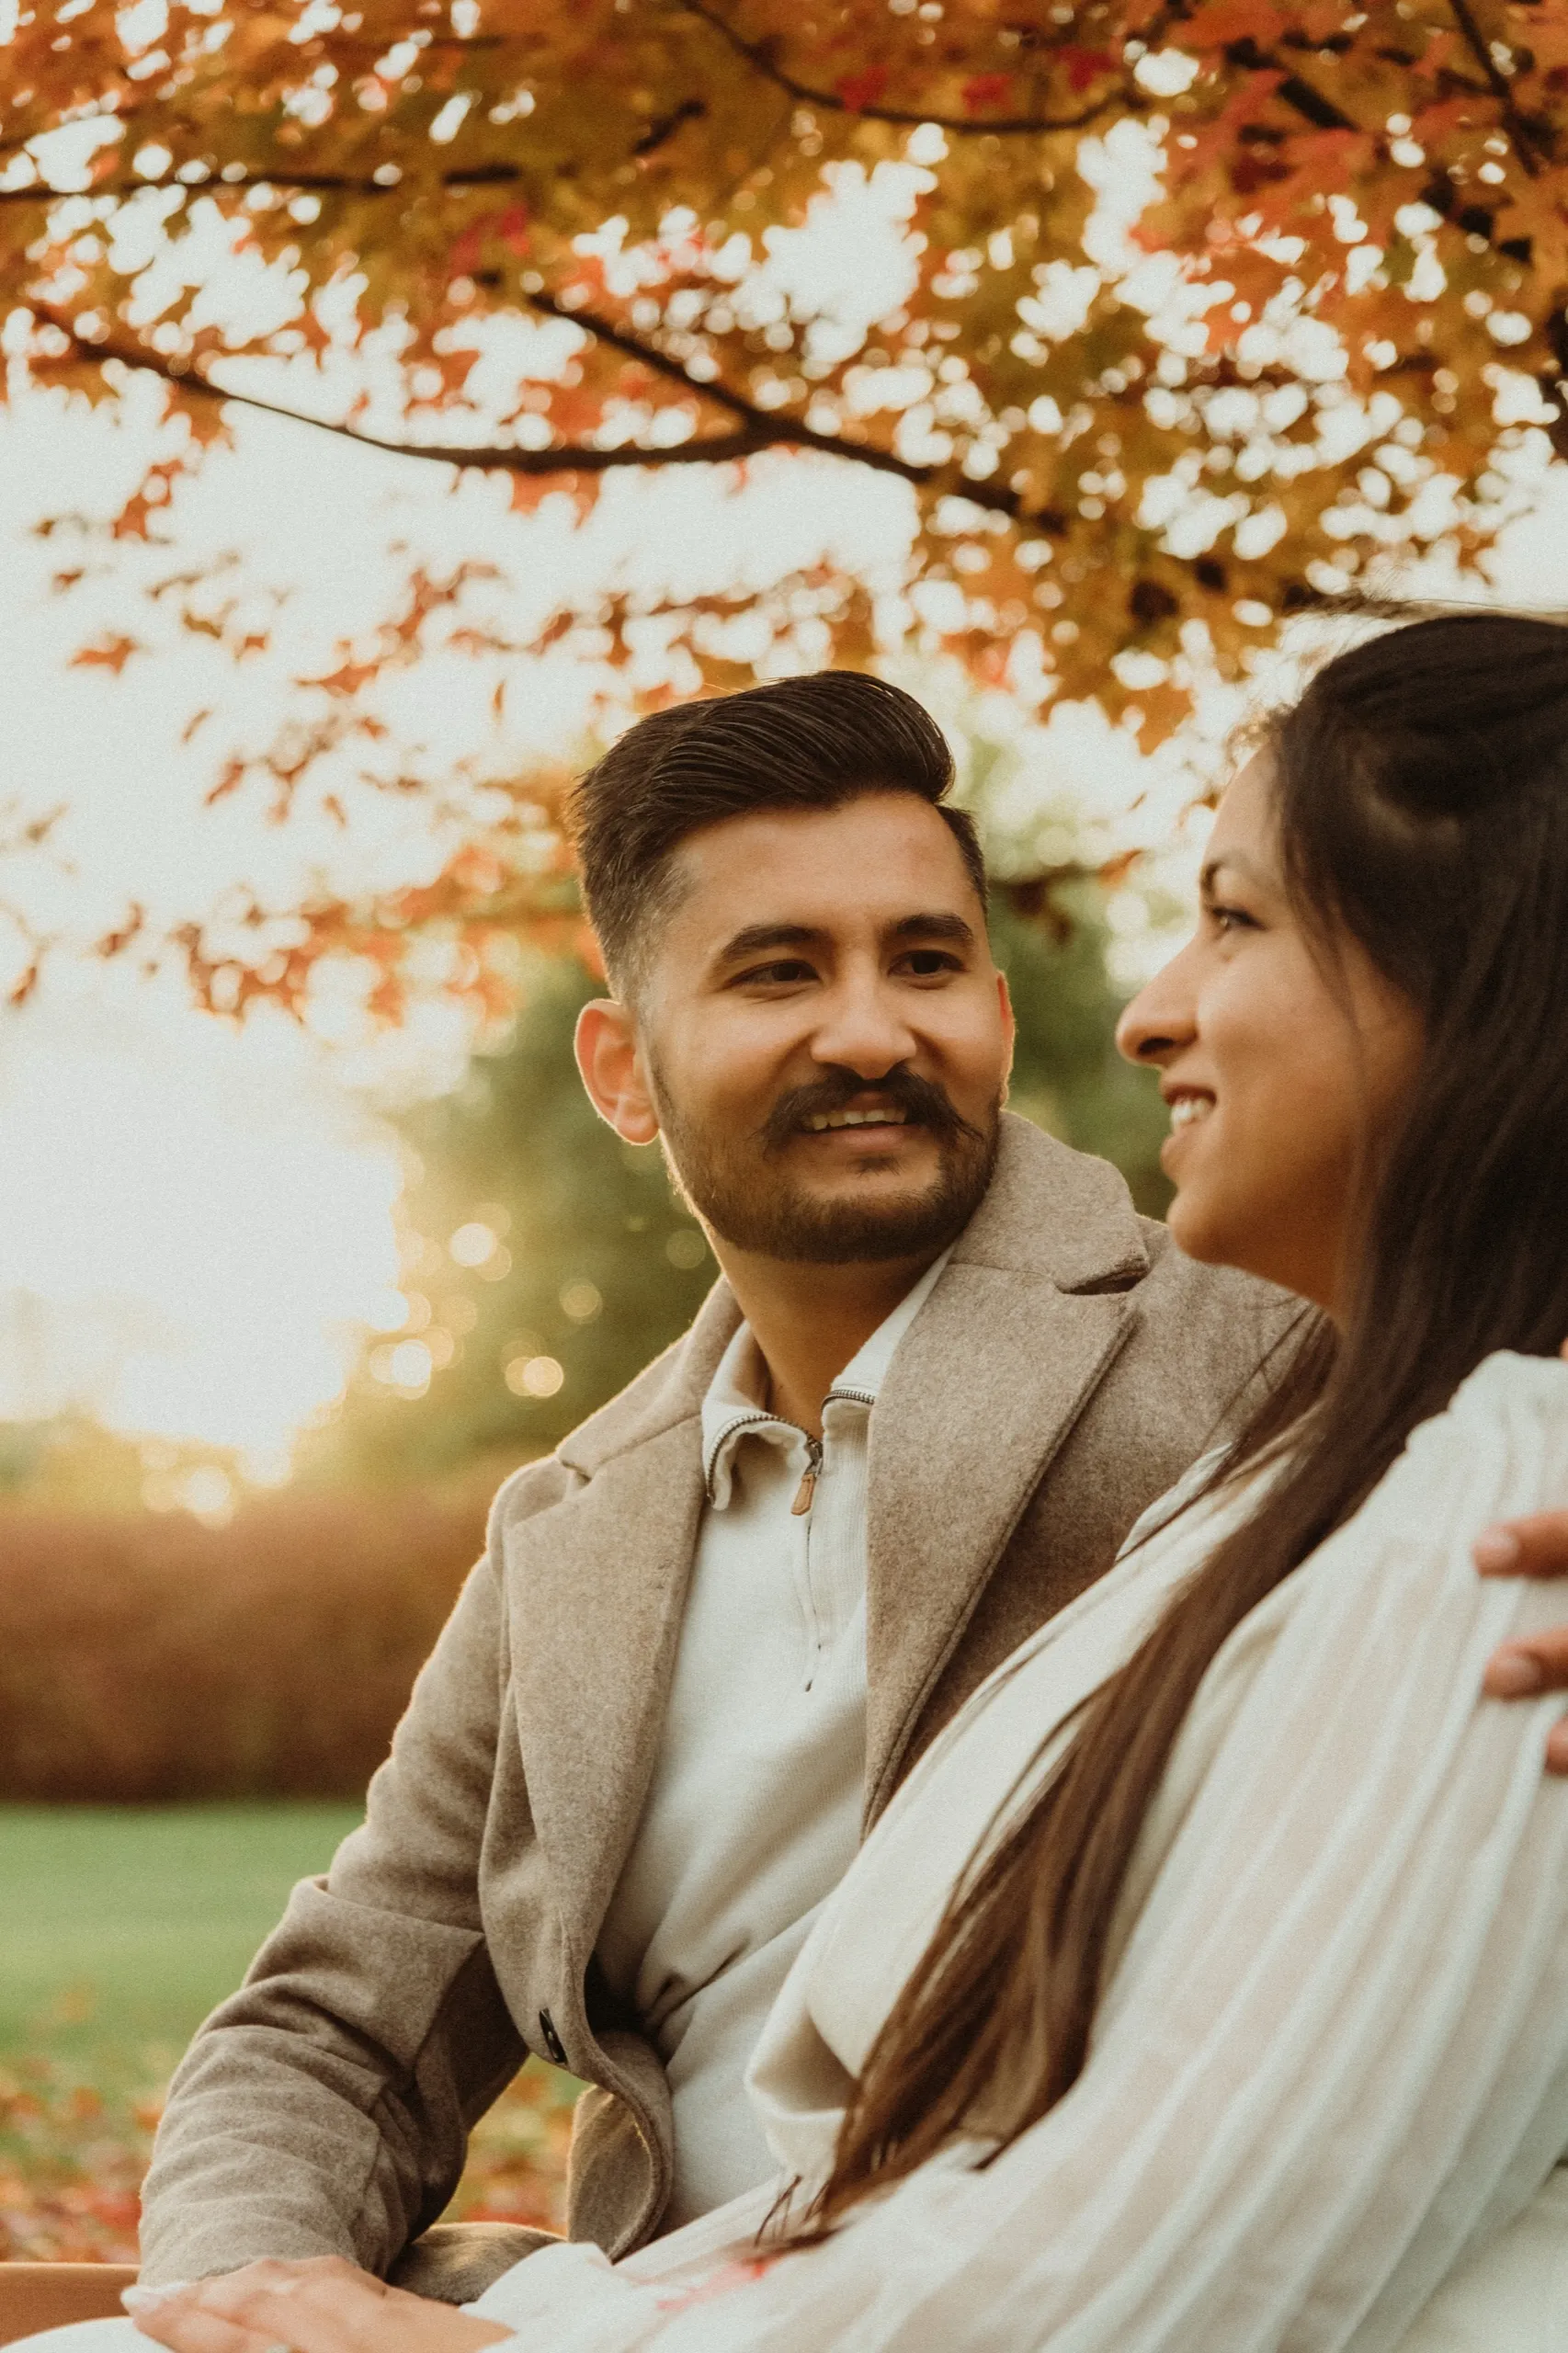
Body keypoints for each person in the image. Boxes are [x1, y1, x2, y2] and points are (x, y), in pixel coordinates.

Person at [115, 611, 1568, 2353]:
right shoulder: (567, 1531)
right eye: (778, 971)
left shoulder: (1278, 1342)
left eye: (928, 962)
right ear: (618, 1072)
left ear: (1001, 1011)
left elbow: (1519, 1260)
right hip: (654, 2301)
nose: (870, 1031)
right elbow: (342, 2019)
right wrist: (245, 2300)